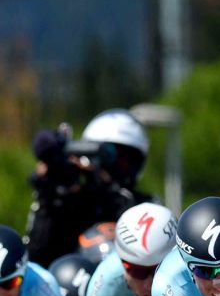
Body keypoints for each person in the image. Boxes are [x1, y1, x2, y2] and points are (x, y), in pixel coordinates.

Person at [25, 109, 153, 268]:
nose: (112, 167)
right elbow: (35, 256)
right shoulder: (71, 199)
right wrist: (47, 195)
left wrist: (107, 190)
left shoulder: (143, 206)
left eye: (124, 160)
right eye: (106, 156)